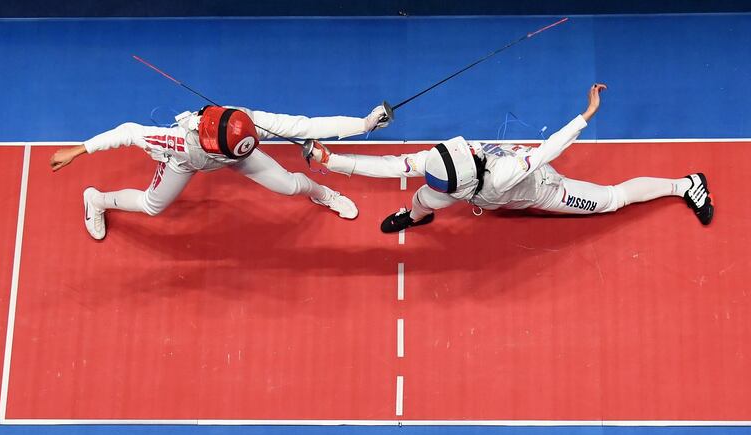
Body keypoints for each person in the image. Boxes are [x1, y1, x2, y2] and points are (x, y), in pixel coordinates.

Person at [308, 84, 714, 233]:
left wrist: (583, 117)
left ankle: (686, 185)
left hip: (541, 190)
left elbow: (548, 151)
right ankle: (418, 217)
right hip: (474, 191)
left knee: (610, 200)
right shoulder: (438, 161)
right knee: (420, 201)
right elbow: (388, 167)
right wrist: (332, 159)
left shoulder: (503, 174)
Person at [50, 104, 389, 240]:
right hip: (184, 163)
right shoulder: (177, 140)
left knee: (288, 186)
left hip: (237, 156)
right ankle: (96, 200)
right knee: (153, 206)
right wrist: (79, 150)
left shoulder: (249, 124)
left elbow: (307, 125)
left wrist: (364, 124)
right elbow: (127, 131)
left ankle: (324, 193)